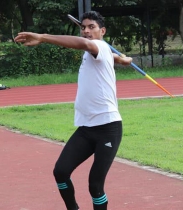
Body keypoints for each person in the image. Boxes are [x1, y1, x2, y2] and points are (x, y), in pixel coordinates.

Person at [14, 11, 132, 210]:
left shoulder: (99, 45)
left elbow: (88, 44)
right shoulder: (97, 52)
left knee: (95, 186)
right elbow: (96, 52)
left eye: (91, 27)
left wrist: (42, 37)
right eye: (83, 27)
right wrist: (119, 59)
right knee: (60, 171)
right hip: (86, 128)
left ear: (102, 31)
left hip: (108, 128)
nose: (86, 31)